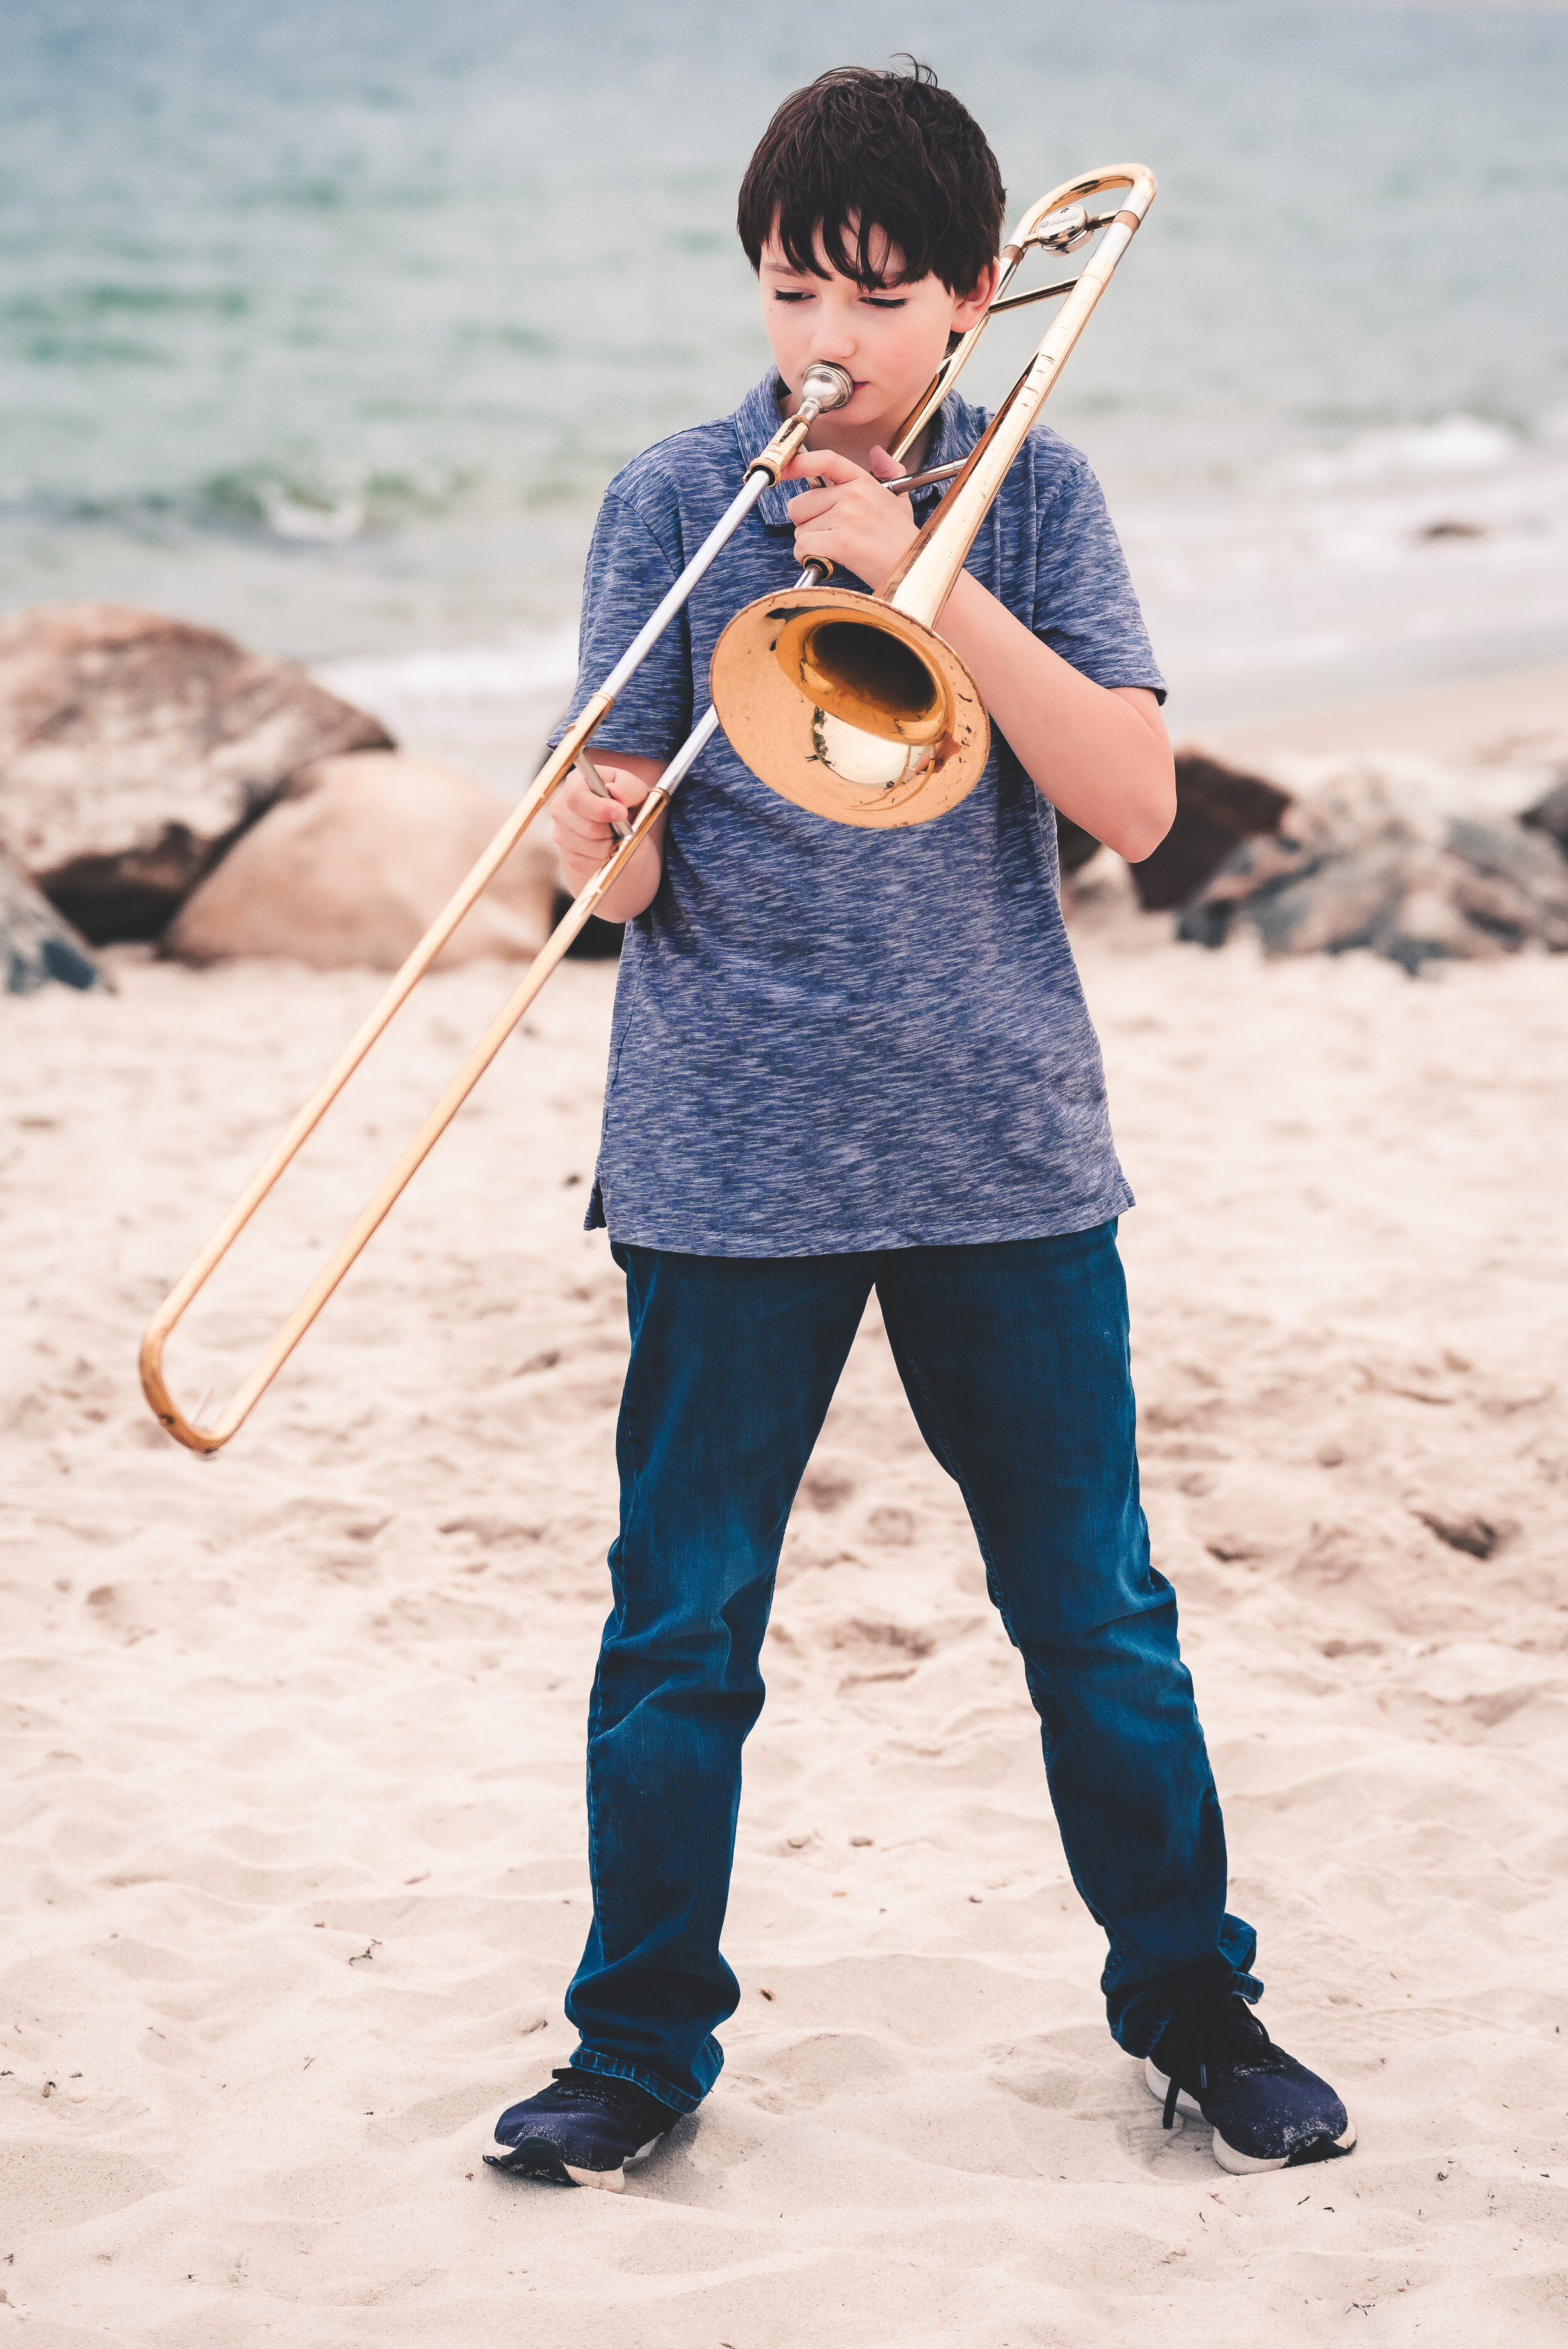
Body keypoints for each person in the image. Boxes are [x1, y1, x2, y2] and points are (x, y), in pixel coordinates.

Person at [487, 61, 1353, 2191]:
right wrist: (590, 835)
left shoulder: (1037, 501)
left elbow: (1136, 808)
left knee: (1093, 1613)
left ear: (974, 301)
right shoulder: (667, 502)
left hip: (1000, 1160)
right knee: (679, 1626)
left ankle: (1189, 2003)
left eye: (876, 297)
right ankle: (637, 2046)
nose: (827, 341)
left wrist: (920, 571)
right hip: (723, 1161)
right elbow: (606, 887)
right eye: (792, 288)